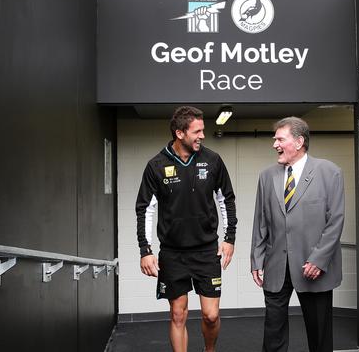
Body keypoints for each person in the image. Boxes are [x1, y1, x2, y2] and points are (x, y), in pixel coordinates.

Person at [136, 106, 237, 352]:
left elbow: (227, 200)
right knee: (178, 315)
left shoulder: (212, 160)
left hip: (206, 252)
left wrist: (229, 238)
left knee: (211, 315)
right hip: (173, 253)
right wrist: (145, 249)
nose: (203, 135)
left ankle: (209, 350)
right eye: (197, 131)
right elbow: (145, 209)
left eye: (203, 130)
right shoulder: (156, 165)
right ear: (180, 133)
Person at [250, 116, 345, 352]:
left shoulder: (329, 172)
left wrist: (318, 259)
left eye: (280, 139)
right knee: (273, 333)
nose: (275, 145)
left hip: (313, 268)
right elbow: (261, 221)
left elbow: (335, 221)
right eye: (275, 140)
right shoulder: (266, 176)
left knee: (319, 335)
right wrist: (257, 259)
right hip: (276, 266)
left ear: (299, 141)